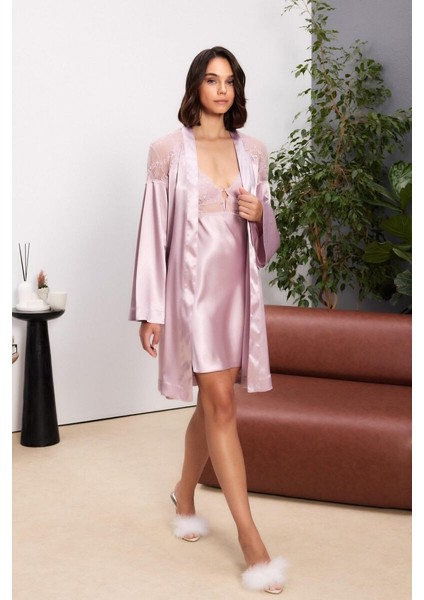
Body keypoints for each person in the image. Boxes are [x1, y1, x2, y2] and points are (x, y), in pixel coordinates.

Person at [129, 46, 287, 594]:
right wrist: (150, 311)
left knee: (212, 404)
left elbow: (266, 244)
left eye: (230, 81)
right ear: (196, 85)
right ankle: (251, 540)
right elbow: (153, 234)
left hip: (236, 297)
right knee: (221, 404)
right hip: (190, 298)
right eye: (212, 80)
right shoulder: (167, 151)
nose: (222, 90)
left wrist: (261, 213)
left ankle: (184, 493)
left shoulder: (254, 151)